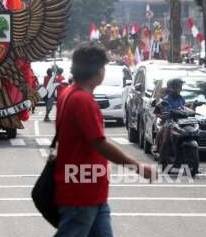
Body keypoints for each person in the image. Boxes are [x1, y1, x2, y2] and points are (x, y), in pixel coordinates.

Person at [54, 42, 155, 237]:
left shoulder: (69, 94)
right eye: (103, 67)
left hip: (92, 191)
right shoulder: (82, 100)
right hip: (81, 192)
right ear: (97, 71)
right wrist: (138, 167)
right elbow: (99, 143)